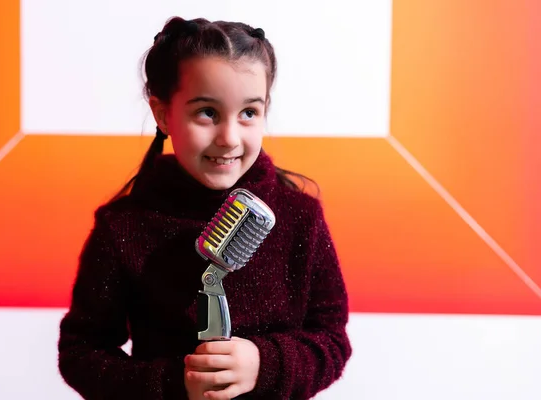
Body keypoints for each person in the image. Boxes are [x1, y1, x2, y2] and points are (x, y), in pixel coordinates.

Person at [57, 16, 352, 400]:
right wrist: (173, 383)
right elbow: (82, 353)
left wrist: (265, 364)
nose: (229, 138)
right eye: (207, 113)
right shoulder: (123, 228)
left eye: (249, 112)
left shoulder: (301, 217)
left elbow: (331, 341)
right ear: (163, 114)